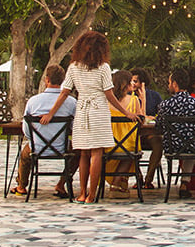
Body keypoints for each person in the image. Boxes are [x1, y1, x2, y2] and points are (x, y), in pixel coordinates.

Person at [40, 31, 139, 204]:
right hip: (98, 110)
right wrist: (127, 113)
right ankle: (92, 195)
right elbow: (109, 95)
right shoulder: (103, 68)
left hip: (82, 110)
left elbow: (64, 93)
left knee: (83, 154)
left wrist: (50, 113)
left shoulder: (74, 67)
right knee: (96, 154)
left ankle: (82, 193)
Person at [11, 65, 77, 198]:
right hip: (62, 147)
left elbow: (26, 130)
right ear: (63, 80)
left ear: (47, 80)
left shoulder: (33, 101)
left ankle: (22, 186)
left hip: (37, 147)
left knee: (25, 155)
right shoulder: (71, 102)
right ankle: (61, 183)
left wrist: (33, 140)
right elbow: (74, 127)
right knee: (78, 153)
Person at [156, 68, 195, 199]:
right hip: (194, 148)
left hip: (172, 147)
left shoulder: (165, 105)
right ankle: (191, 178)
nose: (168, 85)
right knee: (193, 147)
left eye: (169, 82)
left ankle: (185, 182)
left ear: (175, 84)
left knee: (189, 147)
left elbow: (159, 127)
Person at [105, 70, 145, 199]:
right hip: (127, 146)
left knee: (128, 149)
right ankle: (117, 184)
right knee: (132, 150)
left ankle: (121, 184)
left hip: (108, 144)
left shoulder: (106, 102)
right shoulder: (134, 101)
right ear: (127, 85)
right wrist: (143, 99)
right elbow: (142, 121)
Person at [130, 68, 162, 189]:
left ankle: (149, 179)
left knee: (158, 143)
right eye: (131, 81)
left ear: (143, 82)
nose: (133, 84)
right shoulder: (127, 96)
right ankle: (138, 176)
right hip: (132, 134)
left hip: (150, 133)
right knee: (127, 145)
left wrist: (152, 117)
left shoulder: (154, 96)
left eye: (135, 81)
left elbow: (161, 115)